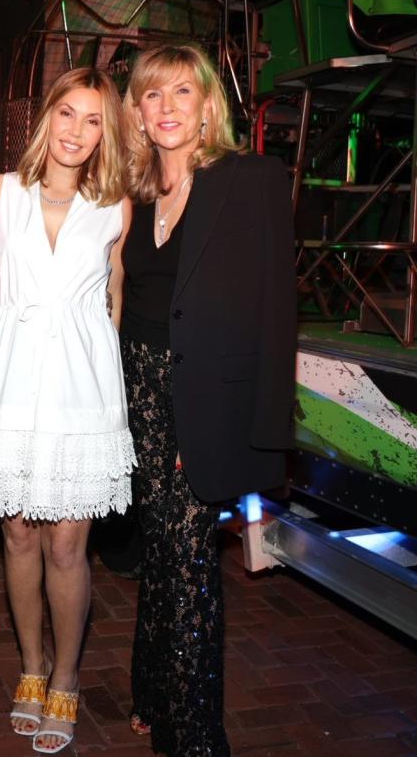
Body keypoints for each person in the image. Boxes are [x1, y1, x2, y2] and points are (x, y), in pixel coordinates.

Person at [120, 44, 296, 756]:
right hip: (136, 394)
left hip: (202, 401)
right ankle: (151, 690)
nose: (166, 108)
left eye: (181, 93)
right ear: (136, 110)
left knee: (191, 559)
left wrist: (255, 427)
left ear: (207, 106)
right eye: (151, 95)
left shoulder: (250, 180)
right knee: (161, 548)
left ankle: (194, 734)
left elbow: (274, 312)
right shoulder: (132, 194)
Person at [0, 67, 136, 755]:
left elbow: (113, 302)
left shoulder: (116, 206)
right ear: (45, 117)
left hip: (81, 390)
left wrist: (104, 388)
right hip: (10, 383)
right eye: (67, 113)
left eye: (93, 120)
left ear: (105, 132)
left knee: (68, 542)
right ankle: (31, 663)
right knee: (17, 536)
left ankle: (65, 674)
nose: (76, 131)